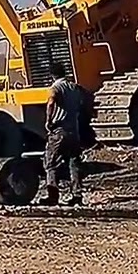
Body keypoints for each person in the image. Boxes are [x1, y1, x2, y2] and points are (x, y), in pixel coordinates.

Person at [39, 61, 92, 206]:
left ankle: (53, 196)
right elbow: (87, 100)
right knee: (74, 163)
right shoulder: (74, 87)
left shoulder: (56, 87)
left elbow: (51, 101)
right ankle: (77, 195)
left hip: (59, 131)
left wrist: (48, 121)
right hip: (74, 131)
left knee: (50, 163)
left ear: (52, 75)